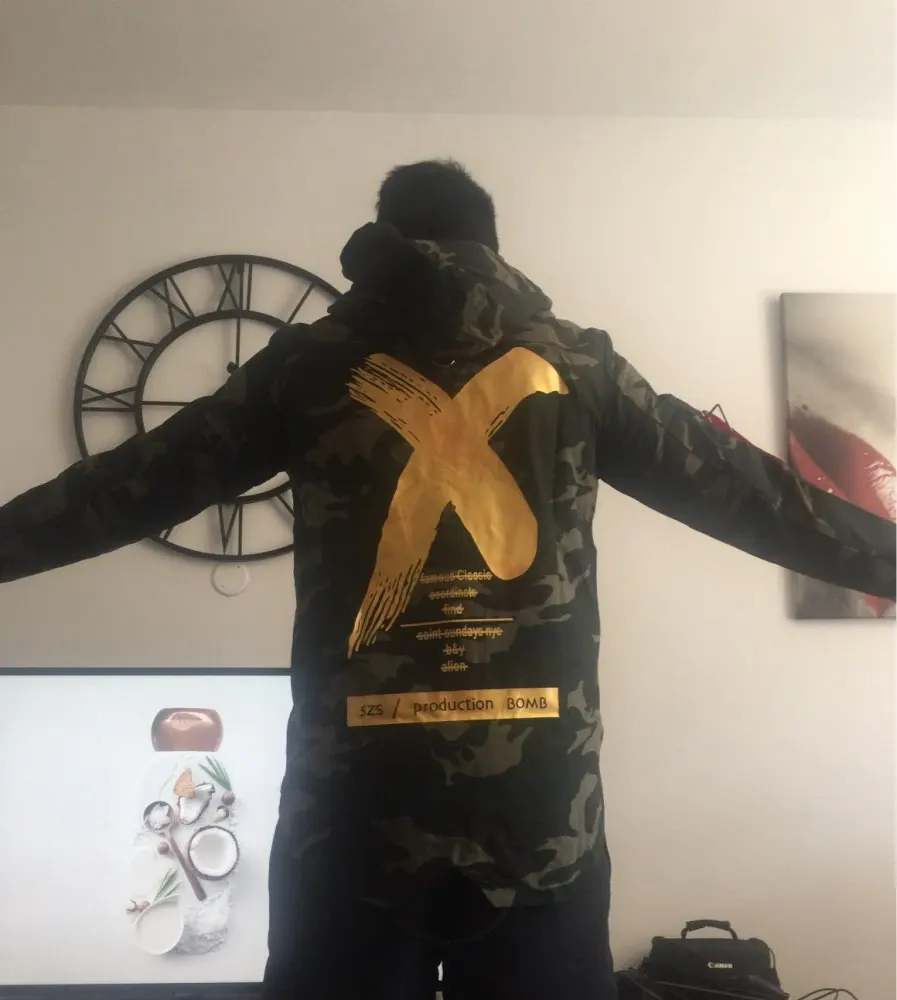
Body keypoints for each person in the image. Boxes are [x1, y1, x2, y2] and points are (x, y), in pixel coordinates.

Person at [0, 160, 893, 1000]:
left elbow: (125, 488)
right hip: (541, 820)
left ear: (386, 236)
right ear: (491, 246)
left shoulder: (309, 367)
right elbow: (751, 495)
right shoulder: (575, 366)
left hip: (352, 817)